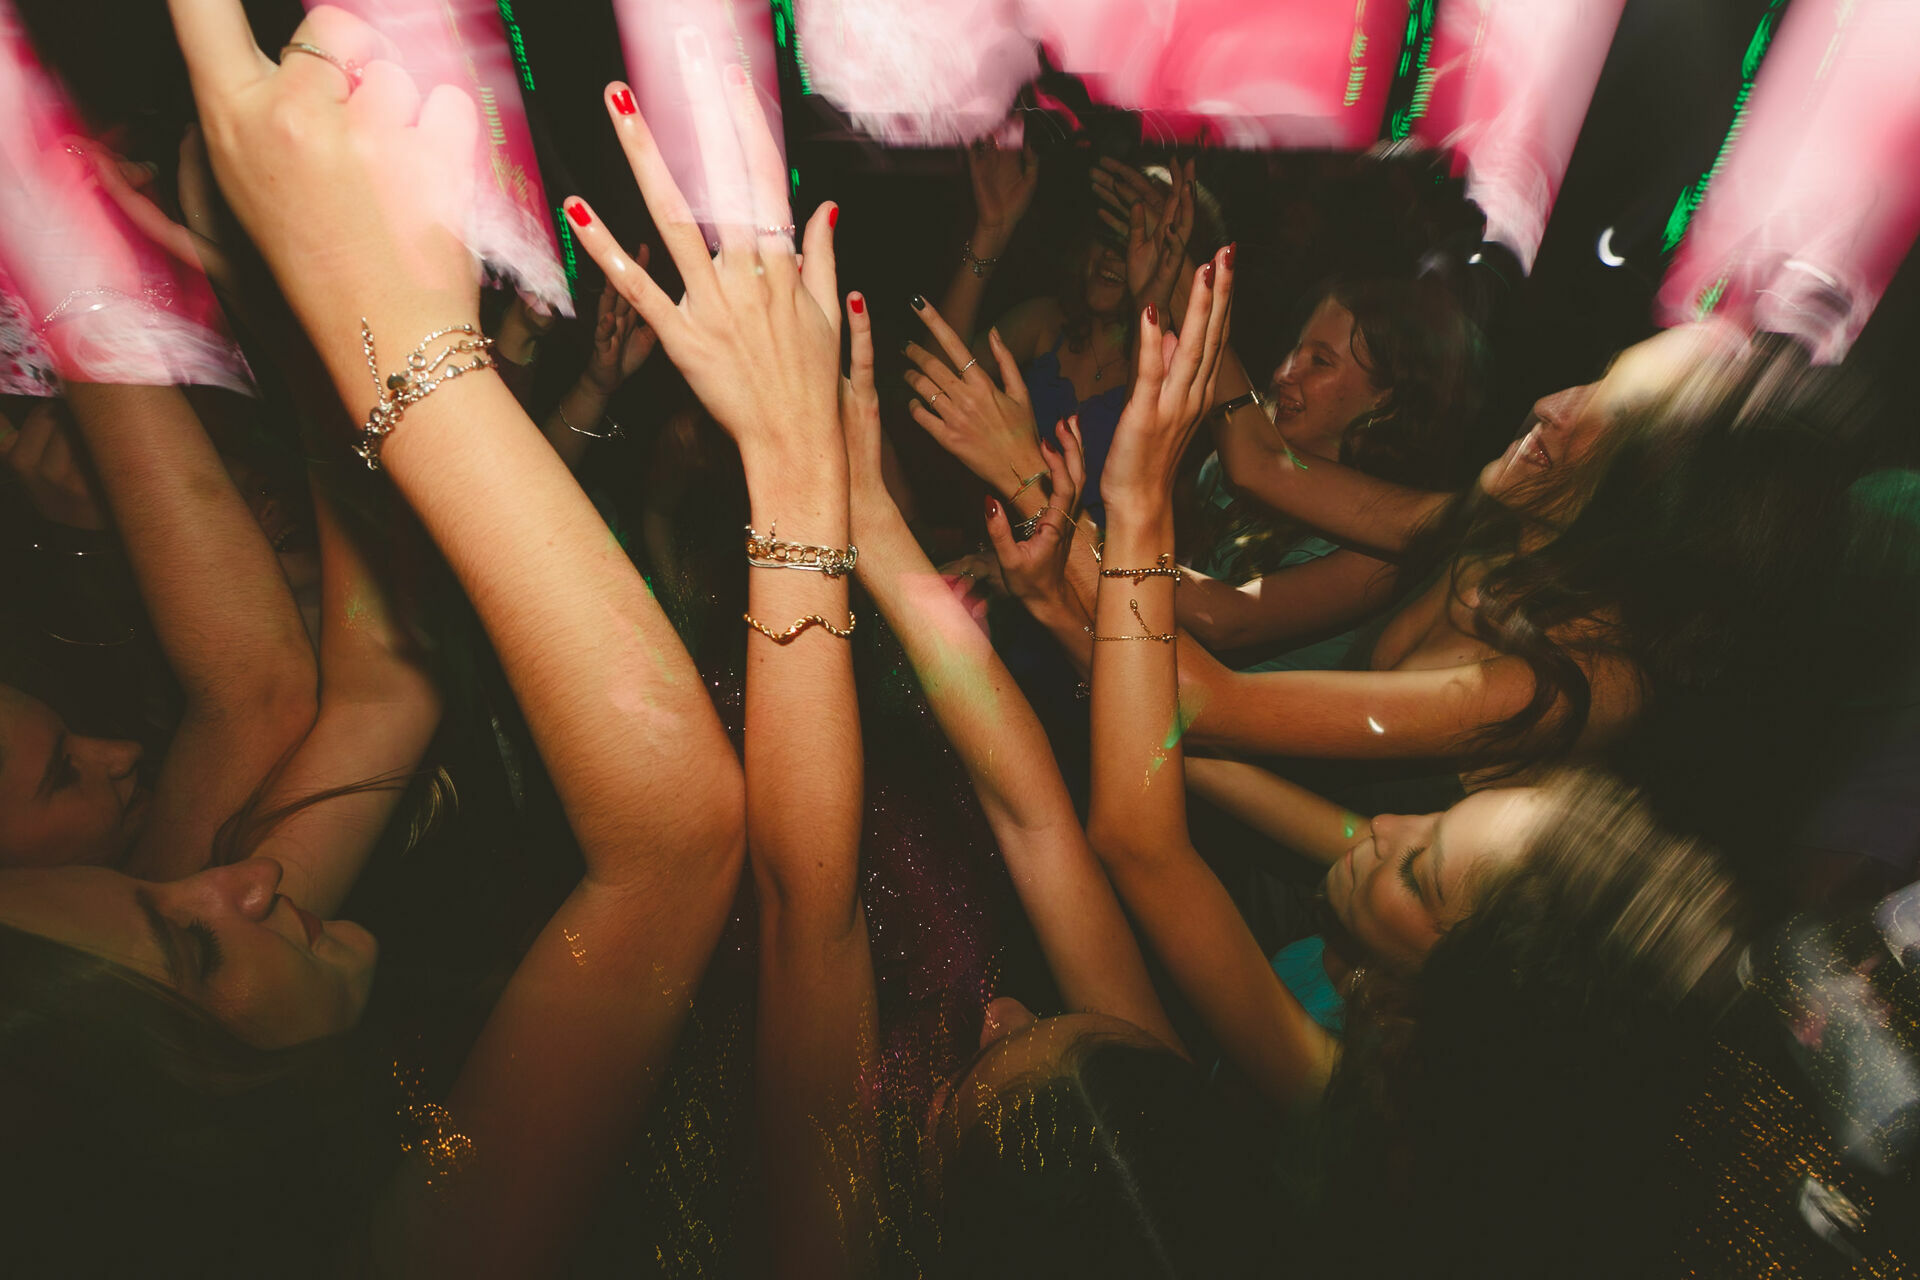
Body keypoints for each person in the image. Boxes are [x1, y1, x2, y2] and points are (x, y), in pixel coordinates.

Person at [0, 7, 749, 1277]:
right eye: (192, 948)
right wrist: (406, 345)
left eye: (150, 886)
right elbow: (674, 841)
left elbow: (376, 690)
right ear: (166, 1146)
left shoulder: (233, 990)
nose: (240, 877)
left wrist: (307, 315)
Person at [1000, 323, 1857, 803]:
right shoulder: (1494, 526)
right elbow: (1261, 463)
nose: (1551, 404)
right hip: (1225, 809)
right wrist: (1189, 296)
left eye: (1614, 413)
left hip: (1309, 936)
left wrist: (1027, 480)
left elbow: (1205, 704)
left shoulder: (1582, 681)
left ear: (1660, 500)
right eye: (1594, 376)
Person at [923, 139, 1203, 525]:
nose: (1113, 254)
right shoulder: (1045, 322)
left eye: (1136, 241)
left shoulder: (1179, 365)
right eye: (1108, 234)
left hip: (1104, 560)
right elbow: (936, 384)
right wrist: (991, 231)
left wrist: (1151, 303)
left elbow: (1141, 475)